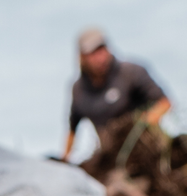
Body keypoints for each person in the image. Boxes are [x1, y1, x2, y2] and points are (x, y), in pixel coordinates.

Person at [60, 28, 171, 162]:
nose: (100, 58)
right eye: (93, 53)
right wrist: (64, 160)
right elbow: (72, 129)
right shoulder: (78, 90)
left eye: (102, 49)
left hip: (148, 151)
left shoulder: (131, 73)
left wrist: (145, 122)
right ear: (82, 57)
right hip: (111, 157)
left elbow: (165, 102)